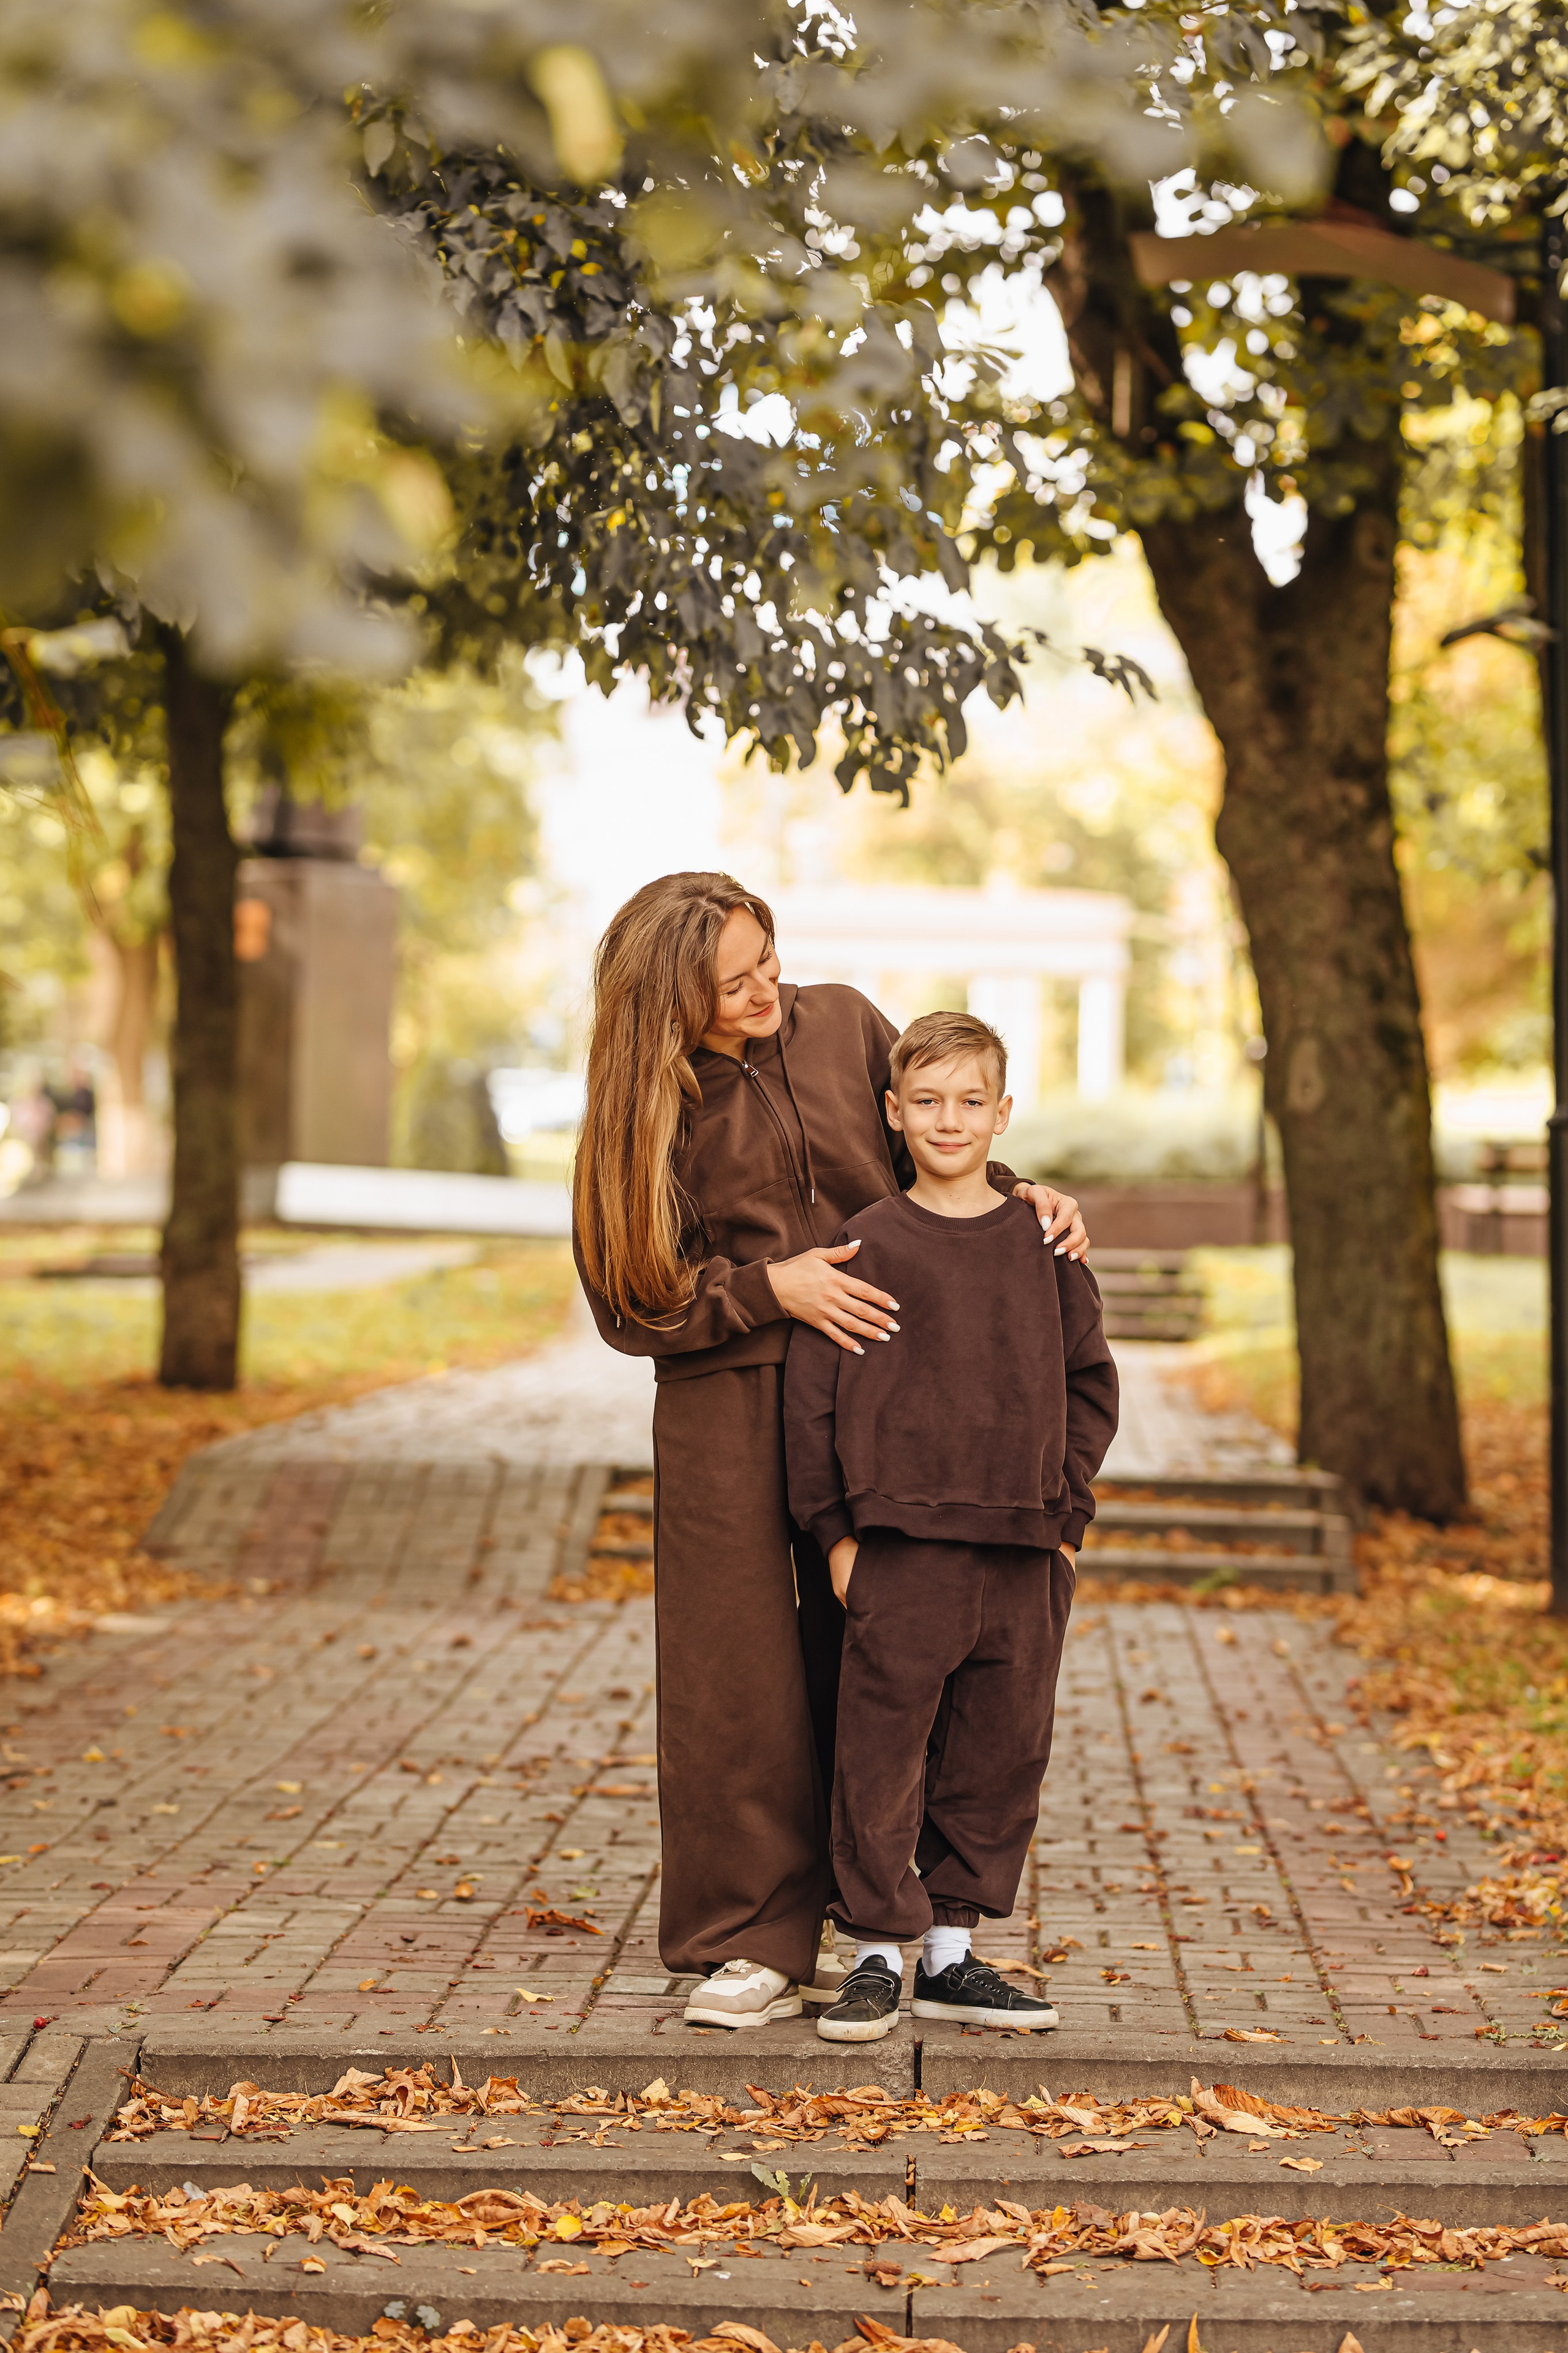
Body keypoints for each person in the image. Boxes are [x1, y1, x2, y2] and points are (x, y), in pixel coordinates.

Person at [573, 872, 1091, 2030]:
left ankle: (906, 1930)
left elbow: (933, 1141)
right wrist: (771, 1287)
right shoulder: (641, 1106)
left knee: (889, 1647)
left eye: (767, 959)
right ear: (668, 1002)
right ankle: (752, 1940)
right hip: (728, 1394)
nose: (767, 990)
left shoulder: (845, 1022)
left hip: (885, 1379)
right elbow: (628, 1298)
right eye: (732, 984)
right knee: (739, 1674)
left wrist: (1024, 1197)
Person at [782, 1008, 1118, 2042]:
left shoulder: (1043, 1243)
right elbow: (812, 1400)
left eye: (971, 1100)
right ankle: (876, 1954)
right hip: (899, 1550)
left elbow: (1091, 1382)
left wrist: (1066, 1521)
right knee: (880, 1750)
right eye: (926, 1100)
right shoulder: (867, 1244)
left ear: (1003, 1112)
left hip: (1024, 1551)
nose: (949, 1118)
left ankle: (949, 1955)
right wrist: (837, 1535)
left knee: (998, 1752)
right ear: (893, 1111)